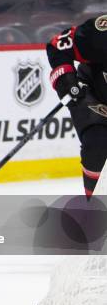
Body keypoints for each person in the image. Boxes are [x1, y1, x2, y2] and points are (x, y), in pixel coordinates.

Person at [46, 15, 107, 198]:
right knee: (97, 143)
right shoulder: (101, 31)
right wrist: (66, 81)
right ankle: (96, 208)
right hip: (96, 93)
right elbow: (59, 45)